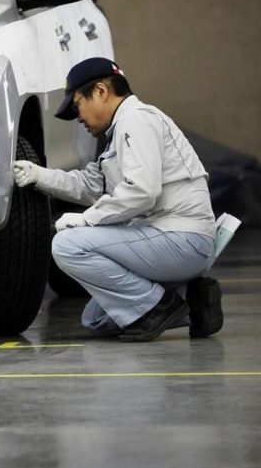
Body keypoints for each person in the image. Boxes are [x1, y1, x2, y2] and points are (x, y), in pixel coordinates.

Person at [12, 57, 224, 341]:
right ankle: (190, 298)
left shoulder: (137, 120)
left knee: (67, 246)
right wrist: (40, 176)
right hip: (165, 241)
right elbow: (91, 184)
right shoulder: (118, 132)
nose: (78, 118)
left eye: (77, 106)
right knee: (96, 320)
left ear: (100, 91)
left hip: (181, 239)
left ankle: (159, 307)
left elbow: (142, 192)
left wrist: (87, 219)